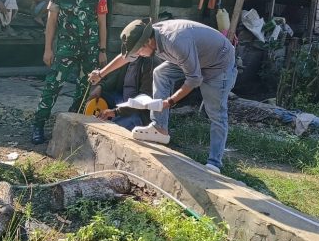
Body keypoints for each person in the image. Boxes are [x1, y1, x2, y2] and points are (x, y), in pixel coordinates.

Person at [89, 18, 237, 173]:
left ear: (147, 42)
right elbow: (126, 57)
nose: (138, 55)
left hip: (218, 63)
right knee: (161, 73)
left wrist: (169, 101)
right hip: (193, 58)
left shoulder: (175, 41)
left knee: (216, 113)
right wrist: (101, 74)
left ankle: (214, 163)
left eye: (139, 51)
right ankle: (160, 129)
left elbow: (194, 79)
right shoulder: (150, 40)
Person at [32, 0, 108, 145]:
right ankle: (39, 124)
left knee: (83, 88)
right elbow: (51, 22)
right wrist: (48, 49)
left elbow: (101, 22)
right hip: (66, 47)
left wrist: (102, 49)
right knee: (53, 85)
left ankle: (74, 125)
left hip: (90, 49)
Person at [90, 54, 160, 131]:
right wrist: (100, 86)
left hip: (138, 111)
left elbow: (142, 102)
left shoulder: (151, 63)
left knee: (108, 128)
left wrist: (115, 112)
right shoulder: (128, 57)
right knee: (97, 94)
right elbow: (115, 76)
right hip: (121, 98)